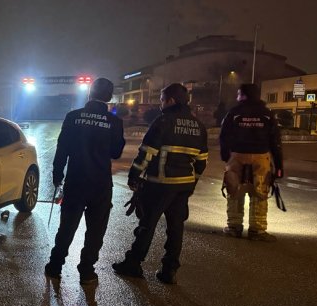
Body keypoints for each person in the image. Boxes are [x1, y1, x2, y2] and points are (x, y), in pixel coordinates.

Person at [112, 83, 208, 285]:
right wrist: (192, 184)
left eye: (162, 99)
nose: (161, 103)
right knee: (175, 228)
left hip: (160, 183)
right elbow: (201, 160)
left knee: (147, 224)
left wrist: (134, 176)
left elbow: (147, 153)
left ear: (171, 100)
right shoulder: (198, 126)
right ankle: (169, 270)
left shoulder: (163, 121)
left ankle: (133, 263)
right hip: (184, 185)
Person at [45, 78, 125, 284]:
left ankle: (55, 266)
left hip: (76, 181)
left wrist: (57, 175)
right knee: (96, 229)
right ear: (109, 97)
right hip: (100, 184)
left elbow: (62, 148)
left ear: (89, 93)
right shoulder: (114, 122)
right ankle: (87, 270)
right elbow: (116, 152)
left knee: (67, 227)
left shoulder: (73, 117)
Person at [219, 83, 283, 242]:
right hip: (261, 156)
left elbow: (224, 135)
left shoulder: (234, 112)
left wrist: (225, 155)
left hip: (237, 155)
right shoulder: (267, 113)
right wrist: (279, 165)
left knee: (234, 189)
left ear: (244, 95)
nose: (237, 97)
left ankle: (234, 226)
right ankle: (257, 229)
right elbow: (275, 140)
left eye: (239, 94)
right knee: (260, 191)